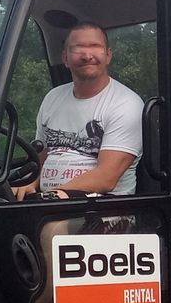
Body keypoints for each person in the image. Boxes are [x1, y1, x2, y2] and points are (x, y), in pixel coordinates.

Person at [25, 22, 144, 200]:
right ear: (65, 58)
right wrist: (28, 183)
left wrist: (49, 197)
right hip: (49, 202)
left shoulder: (126, 104)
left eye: (95, 47)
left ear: (108, 55)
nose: (87, 56)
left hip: (105, 207)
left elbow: (106, 178)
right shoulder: (52, 98)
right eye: (78, 48)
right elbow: (41, 155)